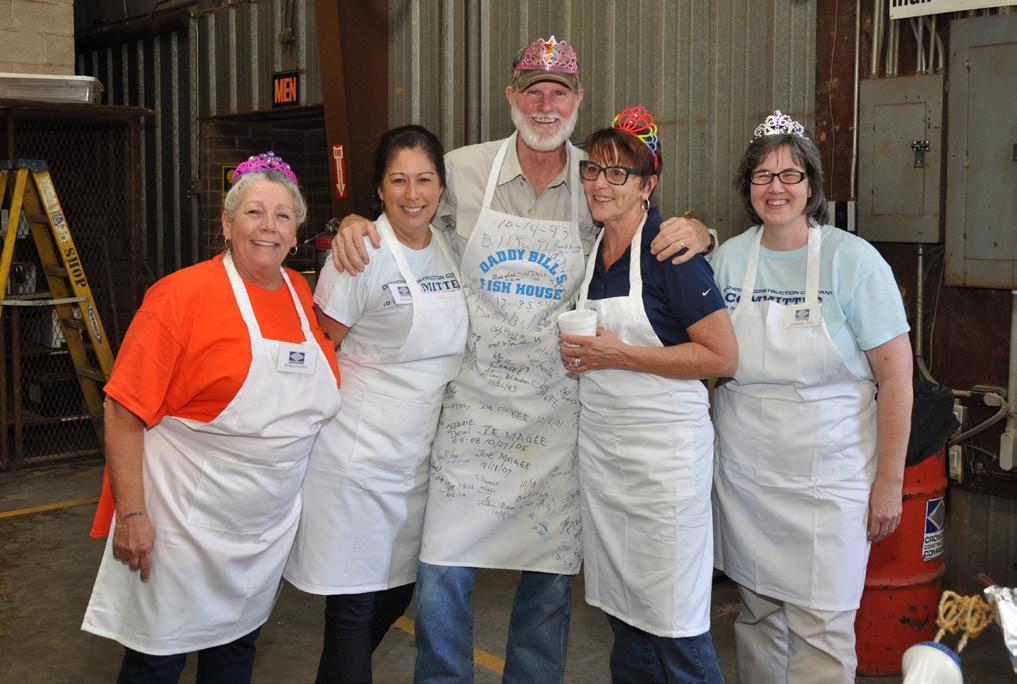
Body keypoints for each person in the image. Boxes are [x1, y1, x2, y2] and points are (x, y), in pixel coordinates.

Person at [330, 37, 713, 683]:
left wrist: (703, 232)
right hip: (469, 413)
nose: (545, 105)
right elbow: (405, 217)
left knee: (546, 591)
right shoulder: (463, 170)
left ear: (577, 100)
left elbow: (649, 229)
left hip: (557, 420)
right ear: (511, 96)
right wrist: (352, 221)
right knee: (442, 576)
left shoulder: (596, 177)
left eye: (558, 93)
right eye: (533, 91)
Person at [82, 153, 341, 684]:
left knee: (236, 653)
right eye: (253, 212)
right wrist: (132, 515)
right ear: (226, 224)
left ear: (296, 233)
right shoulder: (179, 296)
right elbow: (123, 409)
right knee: (158, 661)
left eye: (283, 216)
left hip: (262, 529)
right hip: (183, 524)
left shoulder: (300, 293)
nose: (268, 227)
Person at [711, 111, 913, 684]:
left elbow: (897, 378)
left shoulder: (855, 261)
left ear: (812, 185)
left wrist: (890, 481)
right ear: (747, 186)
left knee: (822, 631)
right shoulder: (729, 259)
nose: (775, 188)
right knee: (757, 620)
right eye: (762, 175)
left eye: (790, 175)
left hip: (830, 482)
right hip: (747, 480)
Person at [284, 125, 467, 684]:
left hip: (415, 462)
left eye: (424, 179)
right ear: (379, 189)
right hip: (356, 462)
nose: (413, 193)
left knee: (396, 593)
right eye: (398, 180)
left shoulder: (449, 246)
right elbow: (320, 351)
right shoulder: (359, 254)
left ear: (441, 187)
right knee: (352, 610)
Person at [558, 105, 735, 684]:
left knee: (677, 628)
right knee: (625, 619)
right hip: (606, 463)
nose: (600, 183)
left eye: (619, 173)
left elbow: (721, 356)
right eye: (593, 170)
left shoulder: (668, 251)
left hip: (664, 469)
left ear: (647, 185)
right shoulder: (594, 249)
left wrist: (620, 356)